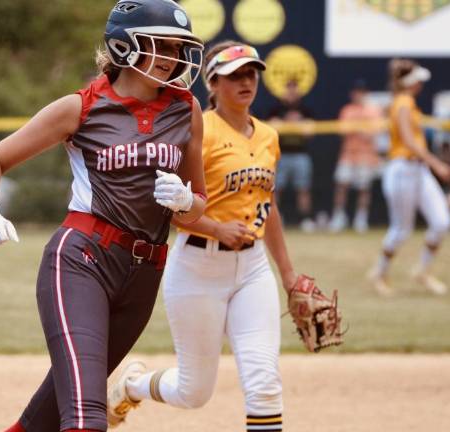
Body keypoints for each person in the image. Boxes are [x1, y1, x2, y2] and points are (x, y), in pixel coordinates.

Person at [0, 1, 207, 431]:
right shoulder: (82, 106)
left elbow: (198, 209)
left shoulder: (186, 110)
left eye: (178, 47)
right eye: (162, 45)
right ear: (125, 46)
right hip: (82, 262)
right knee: (86, 418)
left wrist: (187, 203)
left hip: (144, 274)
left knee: (43, 418)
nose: (173, 57)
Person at [107, 41, 301, 432]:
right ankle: (133, 386)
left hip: (252, 267)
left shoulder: (267, 136)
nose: (246, 82)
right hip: (197, 267)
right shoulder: (198, 129)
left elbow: (271, 208)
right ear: (212, 83)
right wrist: (215, 227)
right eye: (234, 75)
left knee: (264, 382)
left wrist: (289, 276)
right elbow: (170, 206)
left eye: (251, 73)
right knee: (194, 392)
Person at [369, 59, 450, 297]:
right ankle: (379, 273)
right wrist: (438, 165)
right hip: (403, 169)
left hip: (418, 169)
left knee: (441, 222)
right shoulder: (403, 103)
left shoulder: (407, 103)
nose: (421, 83)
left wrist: (433, 165)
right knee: (401, 229)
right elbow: (409, 142)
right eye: (418, 79)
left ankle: (422, 271)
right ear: (411, 82)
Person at [329, 79, 383, 233]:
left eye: (361, 92)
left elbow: (372, 134)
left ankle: (361, 218)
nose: (358, 95)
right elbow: (343, 131)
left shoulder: (374, 110)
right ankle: (339, 217)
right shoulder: (347, 110)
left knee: (364, 189)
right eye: (356, 92)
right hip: (348, 155)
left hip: (367, 156)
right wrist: (361, 128)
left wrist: (358, 128)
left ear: (366, 94)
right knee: (342, 186)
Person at [268, 78, 316, 232]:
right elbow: (270, 130)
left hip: (300, 154)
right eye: (289, 89)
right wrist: (288, 122)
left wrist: (294, 124)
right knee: (276, 189)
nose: (291, 92)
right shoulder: (276, 109)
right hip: (281, 154)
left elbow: (310, 132)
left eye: (294, 89)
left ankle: (306, 219)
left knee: (303, 188)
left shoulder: (305, 109)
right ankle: (274, 218)